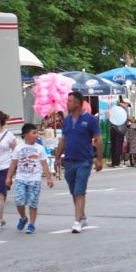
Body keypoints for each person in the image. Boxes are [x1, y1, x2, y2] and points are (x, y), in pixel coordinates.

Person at [54, 91, 103, 234]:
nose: (67, 103)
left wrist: (99, 159)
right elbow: (63, 139)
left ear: (77, 103)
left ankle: (77, 221)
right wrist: (57, 157)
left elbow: (98, 139)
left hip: (84, 160)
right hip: (69, 160)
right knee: (74, 192)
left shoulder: (90, 120)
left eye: (69, 101)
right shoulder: (67, 120)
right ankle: (82, 215)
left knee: (79, 190)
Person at [6, 124, 54, 234]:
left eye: (37, 133)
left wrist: (49, 179)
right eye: (34, 133)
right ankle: (23, 217)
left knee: (33, 202)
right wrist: (8, 177)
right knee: (19, 200)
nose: (37, 135)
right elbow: (13, 164)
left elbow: (45, 165)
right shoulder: (19, 148)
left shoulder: (40, 148)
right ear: (26, 135)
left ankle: (32, 224)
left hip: (35, 179)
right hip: (20, 178)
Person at [110, 98, 131, 167]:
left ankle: (113, 162)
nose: (128, 106)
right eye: (128, 105)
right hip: (120, 130)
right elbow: (127, 118)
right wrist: (134, 121)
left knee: (113, 146)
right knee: (118, 146)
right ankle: (117, 163)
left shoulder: (115, 107)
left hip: (113, 128)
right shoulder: (125, 108)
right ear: (126, 103)